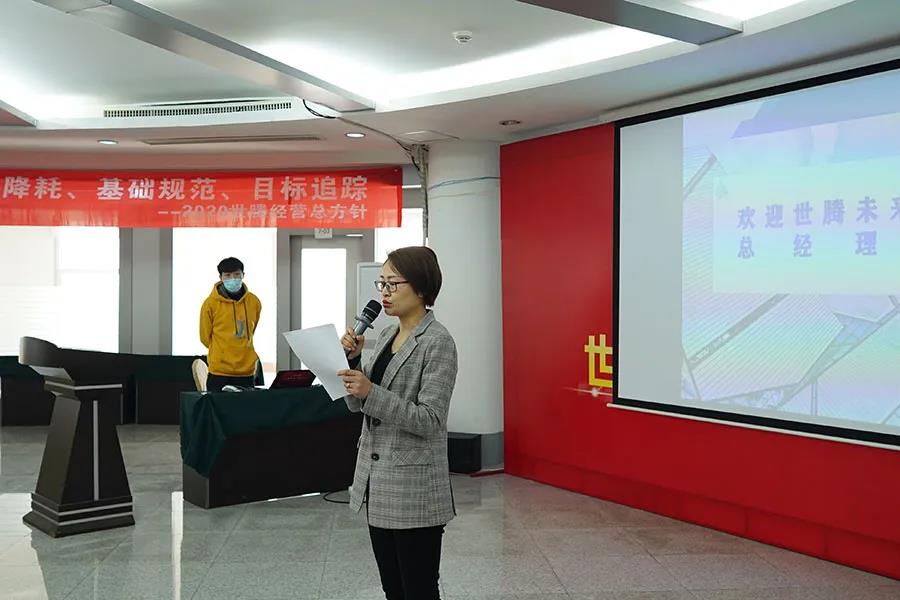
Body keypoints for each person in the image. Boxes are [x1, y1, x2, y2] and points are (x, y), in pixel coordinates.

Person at [338, 246, 458, 600]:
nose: (385, 293)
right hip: (378, 483)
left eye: (393, 283)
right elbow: (358, 405)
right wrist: (353, 362)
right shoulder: (388, 336)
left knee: (418, 590)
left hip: (414, 488)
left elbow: (430, 419)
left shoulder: (438, 342)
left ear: (420, 288)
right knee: (393, 588)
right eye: (382, 283)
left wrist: (371, 392)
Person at [199, 257, 262, 392]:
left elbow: (252, 330)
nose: (232, 279)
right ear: (220, 277)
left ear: (243, 275)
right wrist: (221, 352)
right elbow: (205, 337)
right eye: (227, 275)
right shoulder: (210, 304)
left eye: (237, 274)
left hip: (246, 371)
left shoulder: (254, 302)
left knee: (245, 406)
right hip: (219, 372)